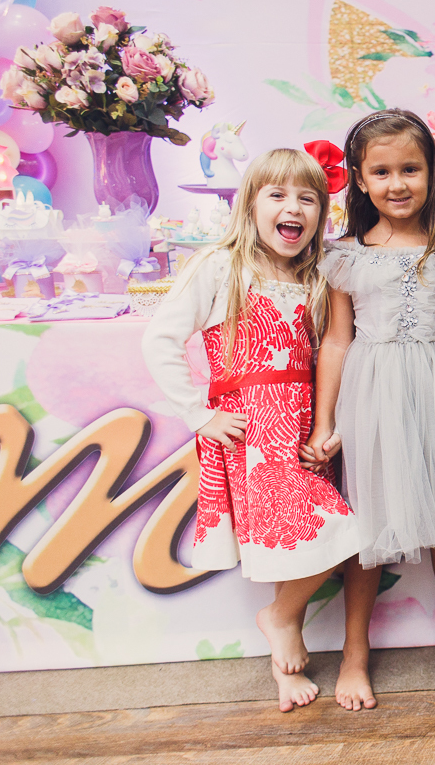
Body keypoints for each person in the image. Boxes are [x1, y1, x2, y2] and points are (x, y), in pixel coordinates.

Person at [143, 149, 360, 713]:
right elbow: (160, 340)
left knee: (333, 537)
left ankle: (280, 618)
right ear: (250, 203)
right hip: (253, 433)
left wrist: (328, 423)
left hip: (305, 427)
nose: (294, 209)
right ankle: (283, 625)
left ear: (322, 212)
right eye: (278, 195)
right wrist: (201, 414)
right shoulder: (222, 266)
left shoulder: (317, 274)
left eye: (308, 199)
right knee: (292, 538)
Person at [306, 109, 435, 709]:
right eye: (383, 171)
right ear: (361, 181)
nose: (398, 183)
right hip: (375, 392)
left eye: (410, 169)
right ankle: (355, 654)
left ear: (431, 172)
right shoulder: (347, 256)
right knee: (374, 521)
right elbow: (337, 341)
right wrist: (325, 420)